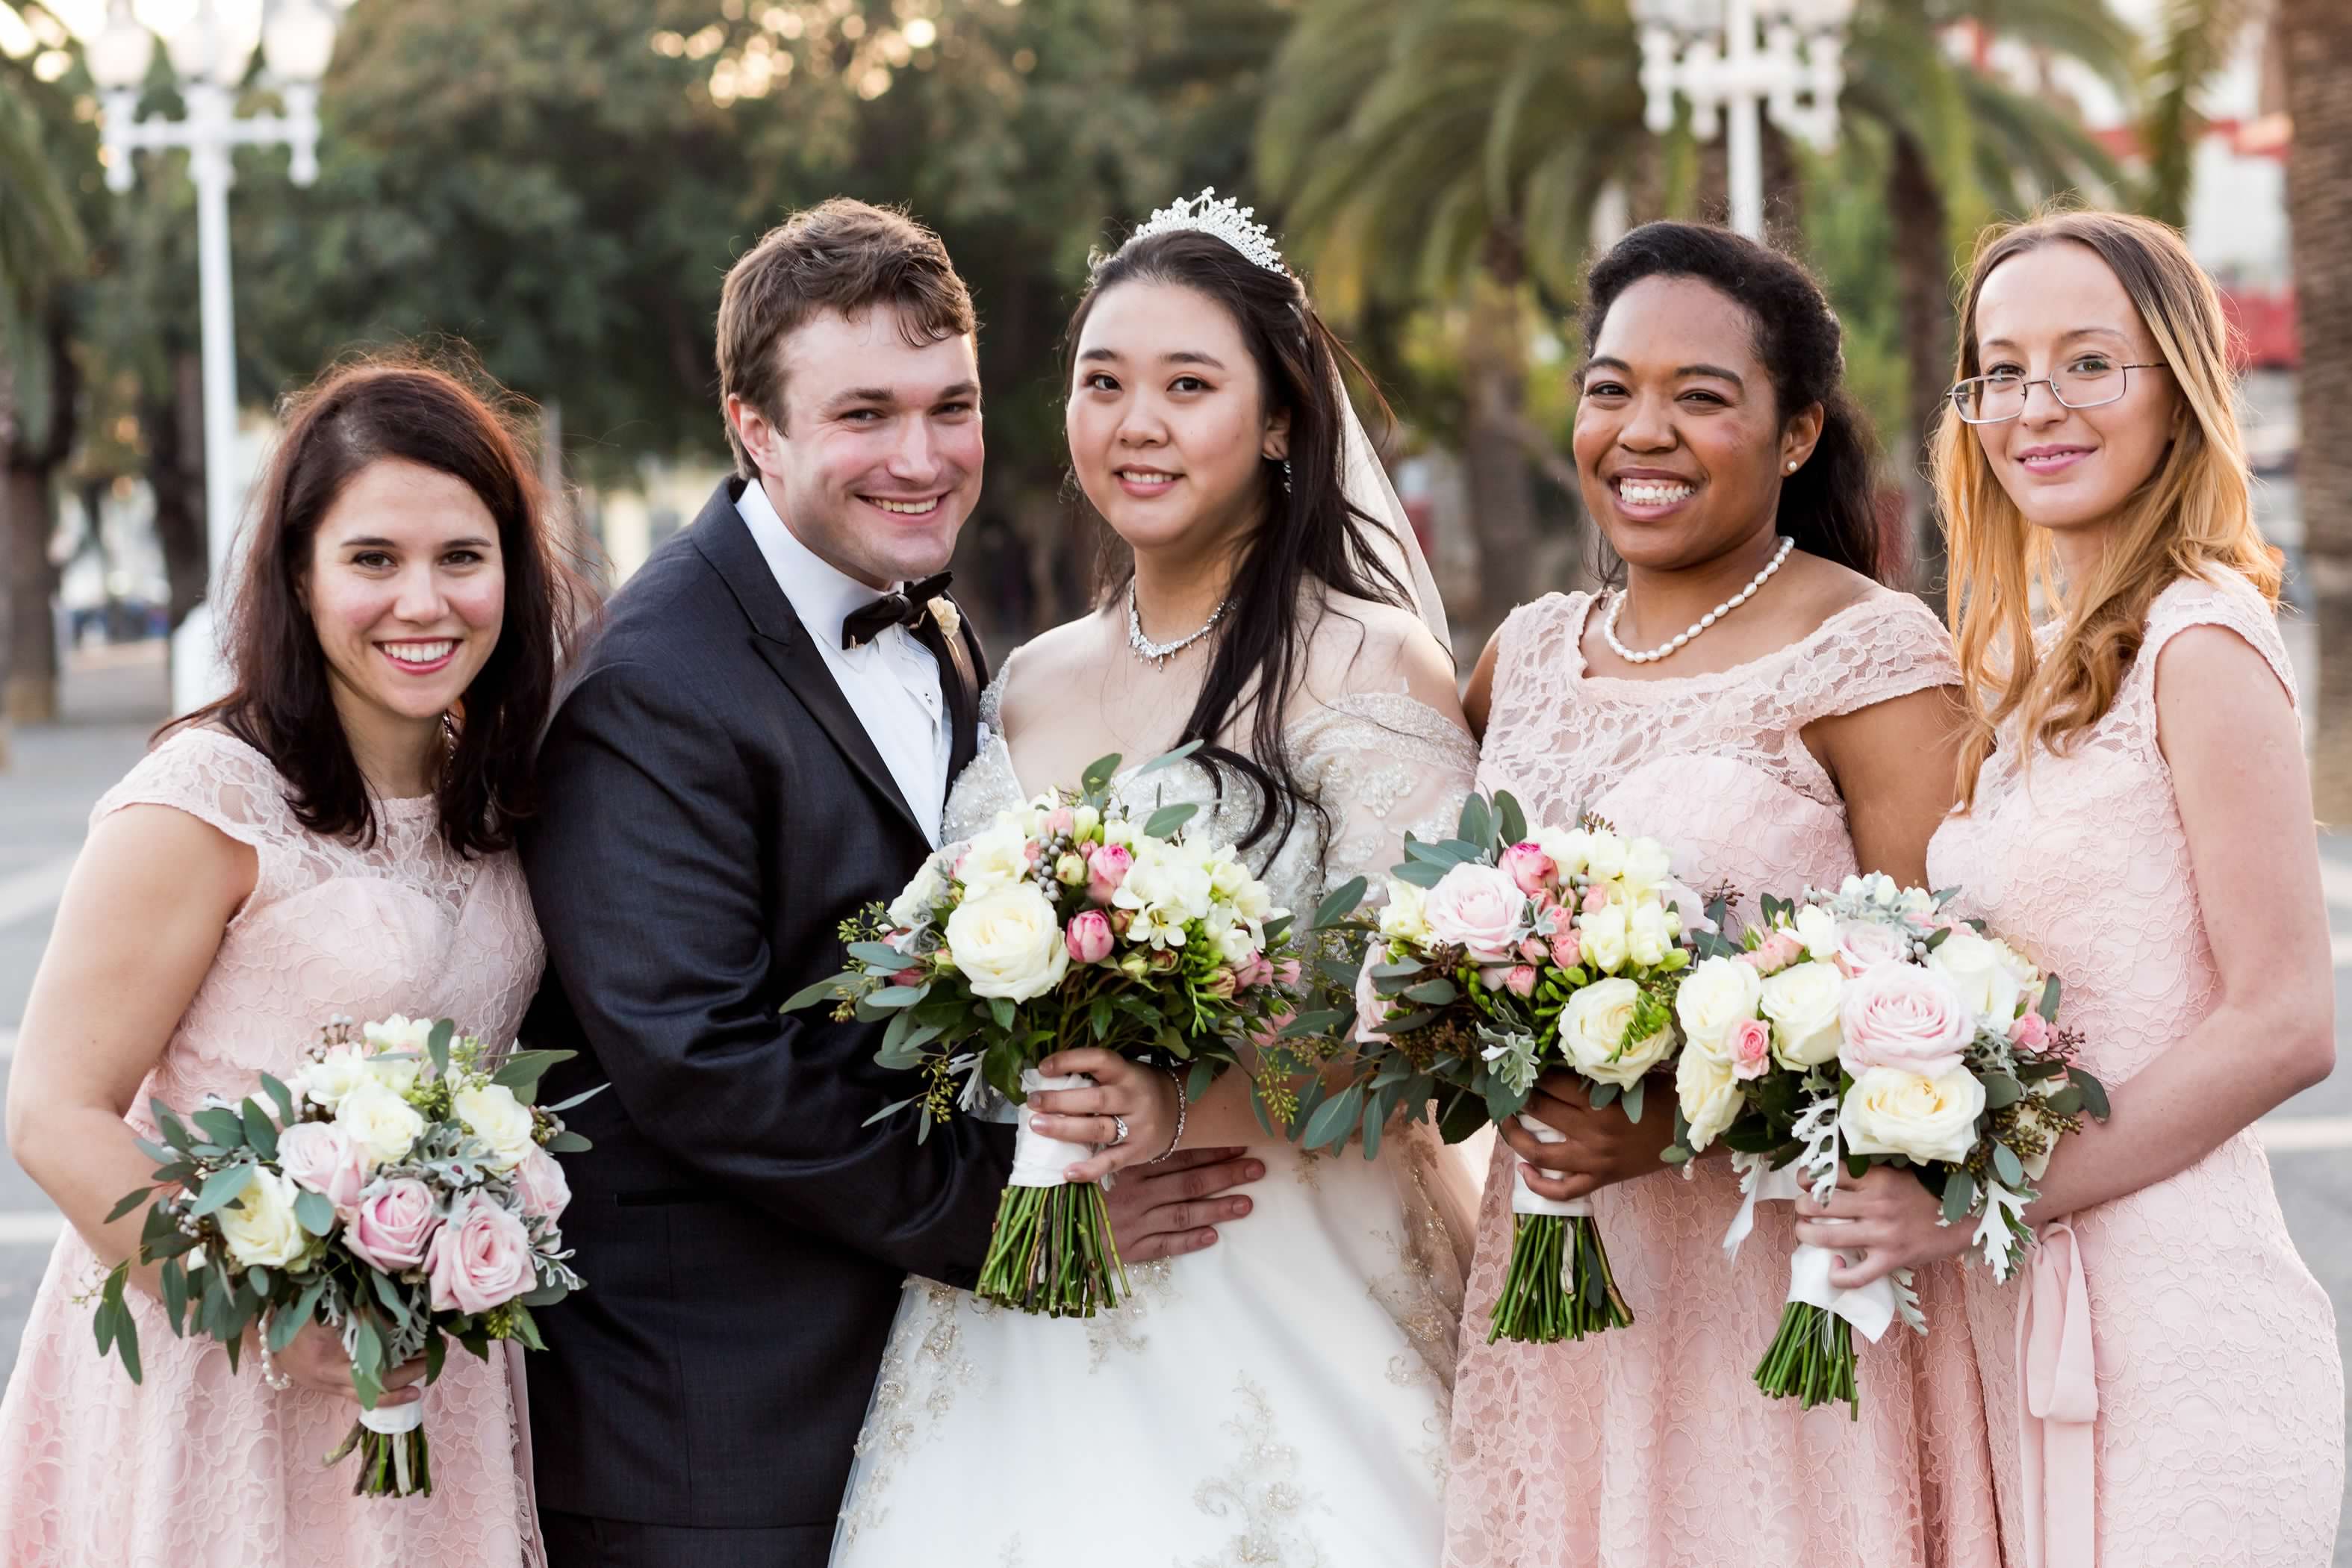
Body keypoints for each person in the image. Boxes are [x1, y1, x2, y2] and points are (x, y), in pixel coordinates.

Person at [517, 199, 1262, 1568]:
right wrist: (1020, 1208)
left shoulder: (943, 625)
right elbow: (701, 1058)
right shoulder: (652, 687)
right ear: (755, 427)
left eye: (951, 407)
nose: (920, 459)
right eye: (863, 414)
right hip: (718, 1421)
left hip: (922, 1387)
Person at [827, 193, 1479, 1567]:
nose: (1138, 424)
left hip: (1294, 1273)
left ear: (1283, 420)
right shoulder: (1023, 684)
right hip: (1031, 1293)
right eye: (1103, 382)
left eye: (1190, 386)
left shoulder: (1369, 672)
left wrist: (1194, 1082)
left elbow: (1423, 1045)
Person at [1444, 222, 2001, 1568]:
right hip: (1548, 1288)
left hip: (1772, 1297)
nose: (1642, 431)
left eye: (1701, 396)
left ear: (1796, 433)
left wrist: (1682, 1122)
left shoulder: (1864, 652)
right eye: (1608, 387)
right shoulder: (1518, 657)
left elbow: (1959, 1012)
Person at [1823, 208, 2342, 1567]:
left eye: (2085, 363)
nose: (2031, 406)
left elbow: (2285, 1018)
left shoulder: (2202, 641)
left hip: (2175, 1323)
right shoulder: (2019, 663)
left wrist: (1984, 1199)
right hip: (2019, 1317)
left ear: (2175, 389)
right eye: (1997, 369)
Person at [0, 359, 582, 1567]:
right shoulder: (207, 800)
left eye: (461, 559)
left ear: (511, 576)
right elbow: (55, 1114)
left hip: (434, 1365)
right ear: (300, 577)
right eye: (372, 559)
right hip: (220, 1362)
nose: (422, 601)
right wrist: (270, 1314)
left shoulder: (501, 785)